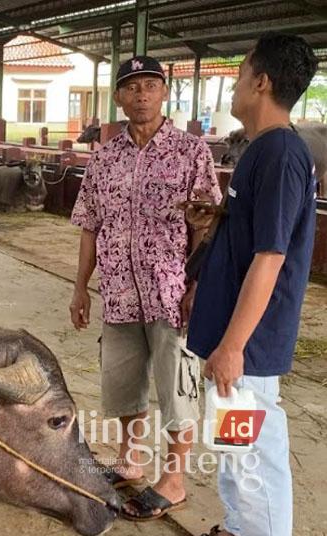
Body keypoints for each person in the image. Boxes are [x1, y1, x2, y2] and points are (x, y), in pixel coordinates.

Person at [69, 55, 221, 521]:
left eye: (151, 85)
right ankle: (130, 459)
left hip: (171, 294)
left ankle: (173, 479)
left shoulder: (192, 152)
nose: (141, 94)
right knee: (123, 384)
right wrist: (80, 288)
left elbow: (207, 225)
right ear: (118, 97)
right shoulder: (104, 158)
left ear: (163, 93)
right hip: (116, 293)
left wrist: (197, 285)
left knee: (177, 387)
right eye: (132, 87)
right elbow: (90, 225)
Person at [187, 33, 318, 536]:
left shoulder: (282, 155)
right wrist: (220, 216)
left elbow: (271, 256)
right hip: (235, 335)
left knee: (254, 452)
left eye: (240, 74)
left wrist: (234, 344)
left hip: (250, 342)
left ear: (261, 82)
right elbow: (255, 237)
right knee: (234, 444)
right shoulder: (262, 151)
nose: (235, 86)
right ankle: (241, 525)